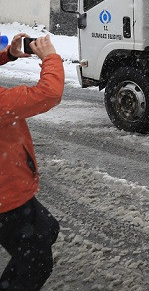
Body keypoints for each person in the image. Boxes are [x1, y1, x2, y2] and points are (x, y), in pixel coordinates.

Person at [0, 34, 63, 290]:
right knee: (37, 262)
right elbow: (49, 94)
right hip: (6, 198)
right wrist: (50, 58)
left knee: (47, 229)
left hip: (10, 191)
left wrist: (9, 55)